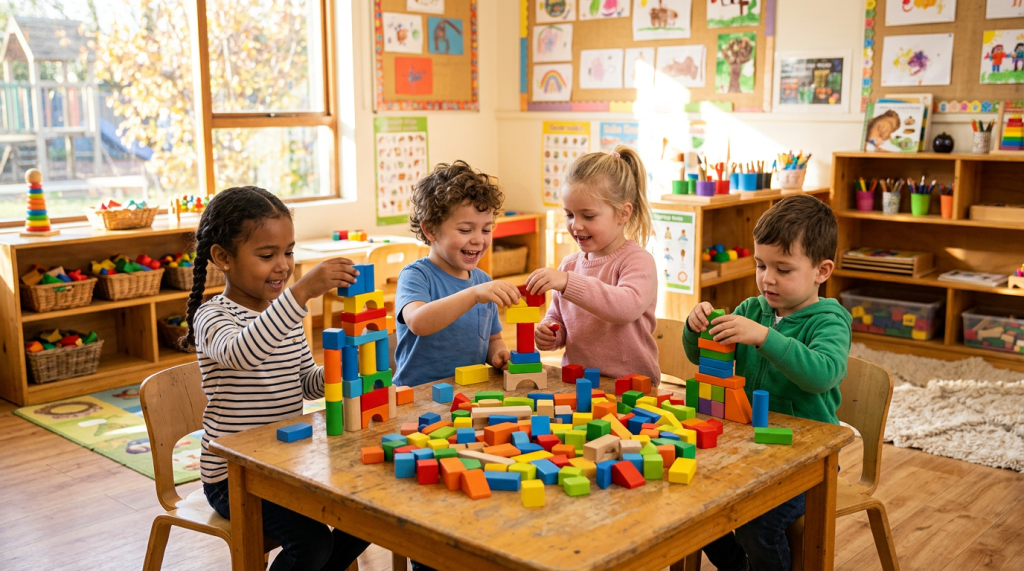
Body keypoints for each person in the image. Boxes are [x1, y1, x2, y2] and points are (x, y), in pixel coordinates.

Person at [183, 186, 369, 570]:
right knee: (312, 544)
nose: (283, 265)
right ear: (223, 257)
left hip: (286, 464)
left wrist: (350, 361)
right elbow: (243, 353)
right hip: (233, 477)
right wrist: (300, 294)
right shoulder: (213, 317)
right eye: (267, 255)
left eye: (288, 252)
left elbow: (306, 382)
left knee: (369, 516)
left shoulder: (284, 317)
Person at [683, 194, 851, 571]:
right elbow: (701, 357)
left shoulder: (829, 320)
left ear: (821, 271)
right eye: (761, 265)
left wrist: (764, 337)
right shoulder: (751, 308)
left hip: (808, 458)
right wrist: (696, 327)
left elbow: (822, 373)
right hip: (747, 445)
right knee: (693, 505)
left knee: (758, 523)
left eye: (783, 269)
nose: (767, 278)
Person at [527, 145, 660, 383]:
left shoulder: (638, 261)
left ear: (623, 213)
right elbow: (558, 317)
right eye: (569, 215)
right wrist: (550, 331)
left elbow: (625, 307)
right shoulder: (569, 265)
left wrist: (568, 282)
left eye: (588, 216)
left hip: (631, 388)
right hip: (579, 384)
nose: (576, 225)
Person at [394, 160, 519, 388]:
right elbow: (418, 322)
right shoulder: (416, 275)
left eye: (486, 229)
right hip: (416, 396)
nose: (478, 239)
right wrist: (474, 295)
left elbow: (493, 339)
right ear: (430, 229)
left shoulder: (482, 282)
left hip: (468, 392)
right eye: (465, 230)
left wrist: (499, 355)